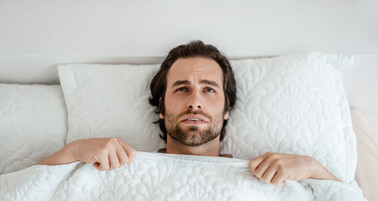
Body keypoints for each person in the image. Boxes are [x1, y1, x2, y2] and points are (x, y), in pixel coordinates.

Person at [37, 40, 341, 187]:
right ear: (161, 108)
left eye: (209, 89)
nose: (195, 101)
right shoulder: (115, 168)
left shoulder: (265, 177)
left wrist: (315, 170)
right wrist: (75, 150)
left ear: (225, 110)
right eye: (181, 88)